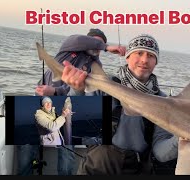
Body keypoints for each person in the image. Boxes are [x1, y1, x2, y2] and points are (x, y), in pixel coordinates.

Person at [62, 34, 178, 175]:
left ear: (156, 62)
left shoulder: (162, 101)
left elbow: (160, 153)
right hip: (97, 167)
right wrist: (77, 91)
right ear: (127, 56)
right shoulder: (103, 85)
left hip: (136, 169)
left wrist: (180, 140)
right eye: (139, 53)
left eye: (151, 56)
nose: (144, 60)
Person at [16, 28, 126, 175]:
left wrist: (55, 91)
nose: (97, 48)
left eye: (100, 45)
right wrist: (106, 46)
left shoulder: (96, 67)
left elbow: (79, 91)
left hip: (66, 107)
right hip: (40, 102)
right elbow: (79, 39)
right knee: (28, 143)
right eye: (95, 43)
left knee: (67, 146)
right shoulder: (70, 47)